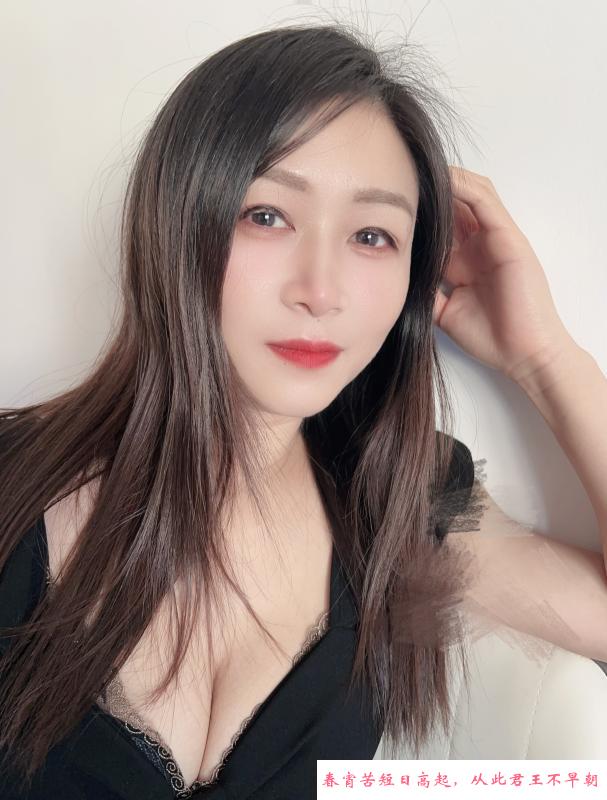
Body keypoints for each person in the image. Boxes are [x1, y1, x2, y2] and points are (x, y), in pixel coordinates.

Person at [1, 20, 606, 800]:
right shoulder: (15, 482)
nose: (320, 290)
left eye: (371, 235)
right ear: (178, 219)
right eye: (267, 216)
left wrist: (544, 357)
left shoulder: (404, 499)